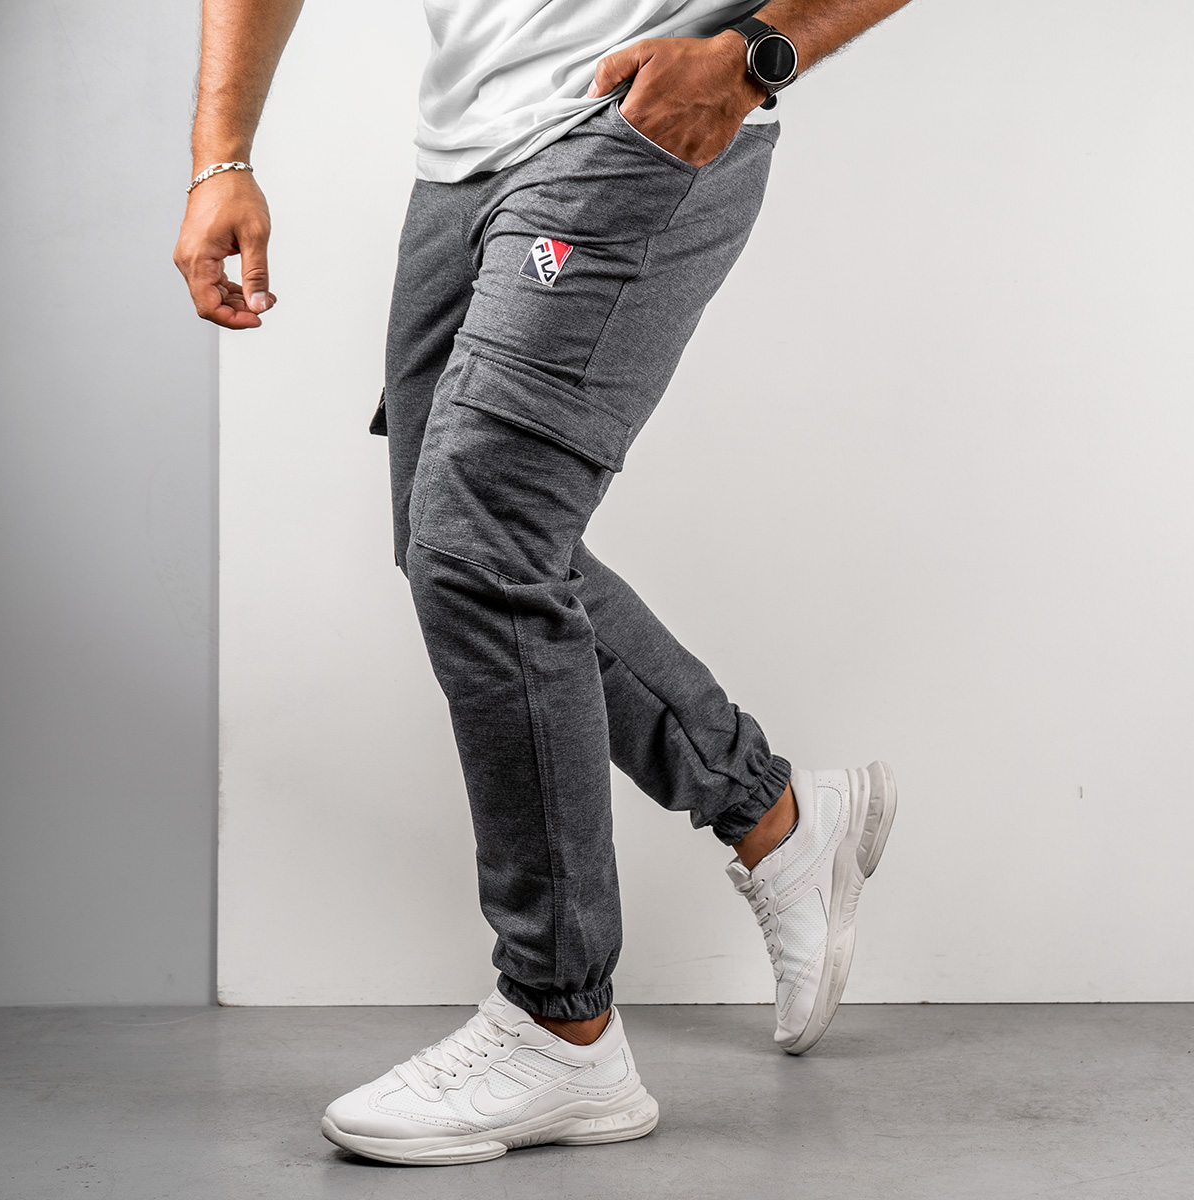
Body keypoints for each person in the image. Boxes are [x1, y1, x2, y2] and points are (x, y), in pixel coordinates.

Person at [175, 0, 910, 1167]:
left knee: (480, 544)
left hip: (629, 125)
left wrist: (752, 57)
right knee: (455, 546)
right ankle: (775, 815)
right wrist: (223, 156)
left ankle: (561, 1027)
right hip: (460, 158)